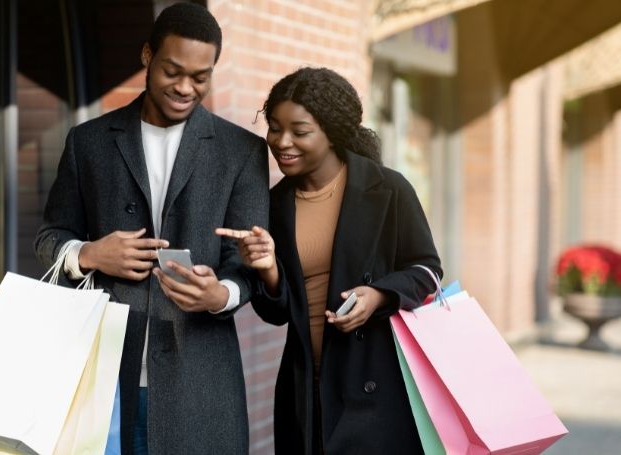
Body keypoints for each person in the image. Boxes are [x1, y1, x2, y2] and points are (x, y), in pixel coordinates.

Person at [34, 3, 269, 453]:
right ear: (147, 56)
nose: (185, 87)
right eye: (172, 71)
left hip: (200, 389)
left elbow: (248, 268)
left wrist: (221, 295)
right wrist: (88, 254)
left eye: (200, 77)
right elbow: (49, 238)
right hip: (102, 382)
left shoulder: (242, 152)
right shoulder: (87, 142)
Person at [217, 67, 442, 454]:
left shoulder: (387, 189)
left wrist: (378, 296)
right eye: (274, 127)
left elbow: (427, 271)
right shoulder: (274, 204)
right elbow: (278, 313)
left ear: (331, 133)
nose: (282, 142)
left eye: (300, 132)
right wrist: (269, 270)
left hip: (377, 386)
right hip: (306, 387)